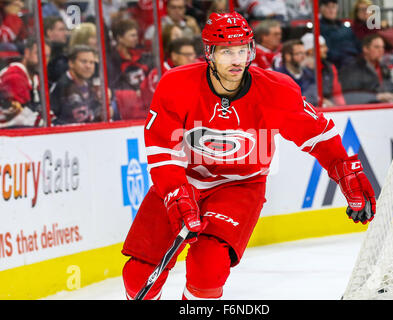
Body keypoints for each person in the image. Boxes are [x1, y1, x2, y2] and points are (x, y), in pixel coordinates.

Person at [121, 12, 377, 300]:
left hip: (240, 185)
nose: (237, 59)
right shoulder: (177, 84)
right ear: (209, 53)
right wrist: (176, 195)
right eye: (227, 51)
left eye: (242, 49)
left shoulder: (275, 90)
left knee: (208, 270)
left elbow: (319, 135)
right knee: (138, 275)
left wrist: (346, 173)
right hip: (183, 180)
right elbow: (161, 150)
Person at [0, 38, 51, 128]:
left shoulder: (35, 78)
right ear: (27, 53)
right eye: (38, 54)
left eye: (46, 56)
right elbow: (21, 117)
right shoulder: (14, 76)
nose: (43, 60)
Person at [339, 34, 393, 105]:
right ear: (365, 49)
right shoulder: (352, 69)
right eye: (376, 47)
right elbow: (350, 96)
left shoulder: (384, 68)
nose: (381, 51)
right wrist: (376, 97)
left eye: (383, 47)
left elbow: (389, 86)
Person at [49, 45, 101, 125]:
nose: (88, 66)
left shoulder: (91, 86)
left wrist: (106, 102)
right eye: (84, 61)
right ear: (71, 63)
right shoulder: (61, 87)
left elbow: (100, 115)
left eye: (91, 62)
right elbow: (52, 120)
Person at [140, 37, 197, 109]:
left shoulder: (194, 71)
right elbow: (158, 103)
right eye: (187, 55)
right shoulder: (159, 72)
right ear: (174, 56)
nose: (192, 58)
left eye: (193, 54)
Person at [300, 33, 346, 107]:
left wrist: (342, 108)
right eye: (322, 47)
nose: (326, 49)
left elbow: (337, 93)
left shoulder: (329, 67)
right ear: (310, 51)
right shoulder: (300, 70)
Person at [107, 18, 152, 90]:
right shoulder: (112, 60)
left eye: (136, 35)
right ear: (119, 38)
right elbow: (115, 85)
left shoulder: (141, 55)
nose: (136, 38)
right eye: (132, 35)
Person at [319, 0, 360, 70]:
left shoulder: (345, 27)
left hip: (353, 61)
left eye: (333, 7)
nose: (331, 10)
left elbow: (357, 44)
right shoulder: (319, 29)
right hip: (336, 65)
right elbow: (328, 52)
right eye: (328, 7)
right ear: (321, 9)